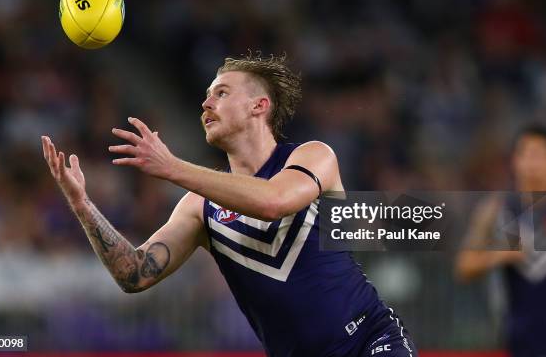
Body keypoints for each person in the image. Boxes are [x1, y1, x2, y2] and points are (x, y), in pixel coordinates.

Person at [41, 54, 417, 357]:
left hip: (369, 342)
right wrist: (82, 205)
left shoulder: (313, 156)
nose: (206, 102)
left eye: (221, 93)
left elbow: (275, 201)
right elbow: (134, 275)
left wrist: (173, 168)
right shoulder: (200, 207)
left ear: (259, 105)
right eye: (206, 95)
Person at [455, 123, 546, 357]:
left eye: (539, 155)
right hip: (518, 330)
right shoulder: (496, 209)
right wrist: (500, 254)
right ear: (514, 161)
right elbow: (464, 266)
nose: (531, 164)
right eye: (525, 154)